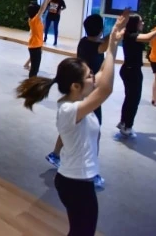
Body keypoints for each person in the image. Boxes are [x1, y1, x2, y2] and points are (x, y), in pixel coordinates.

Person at [16, 11, 128, 236]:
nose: (93, 78)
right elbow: (106, 88)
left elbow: (102, 76)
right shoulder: (69, 109)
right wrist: (112, 47)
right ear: (75, 86)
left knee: (81, 231)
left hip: (78, 180)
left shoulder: (79, 100)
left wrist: (113, 41)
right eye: (89, 76)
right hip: (76, 182)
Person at [46, 14, 110, 190]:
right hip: (88, 91)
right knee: (94, 132)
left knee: (71, 126)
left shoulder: (84, 42)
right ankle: (92, 172)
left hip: (82, 90)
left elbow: (104, 43)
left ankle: (55, 154)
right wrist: (116, 33)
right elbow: (107, 47)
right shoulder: (98, 47)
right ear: (100, 30)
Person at [117, 14, 156, 137]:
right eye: (141, 21)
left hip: (129, 70)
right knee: (133, 100)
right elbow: (149, 37)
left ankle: (123, 122)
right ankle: (127, 126)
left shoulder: (130, 34)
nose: (143, 23)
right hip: (132, 72)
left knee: (129, 99)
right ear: (135, 23)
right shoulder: (132, 36)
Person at [27, 0, 53, 78]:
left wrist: (47, 1)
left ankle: (31, 81)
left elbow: (42, 10)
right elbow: (42, 9)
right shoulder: (35, 20)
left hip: (34, 45)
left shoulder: (31, 19)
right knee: (34, 69)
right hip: (35, 46)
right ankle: (31, 82)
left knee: (34, 68)